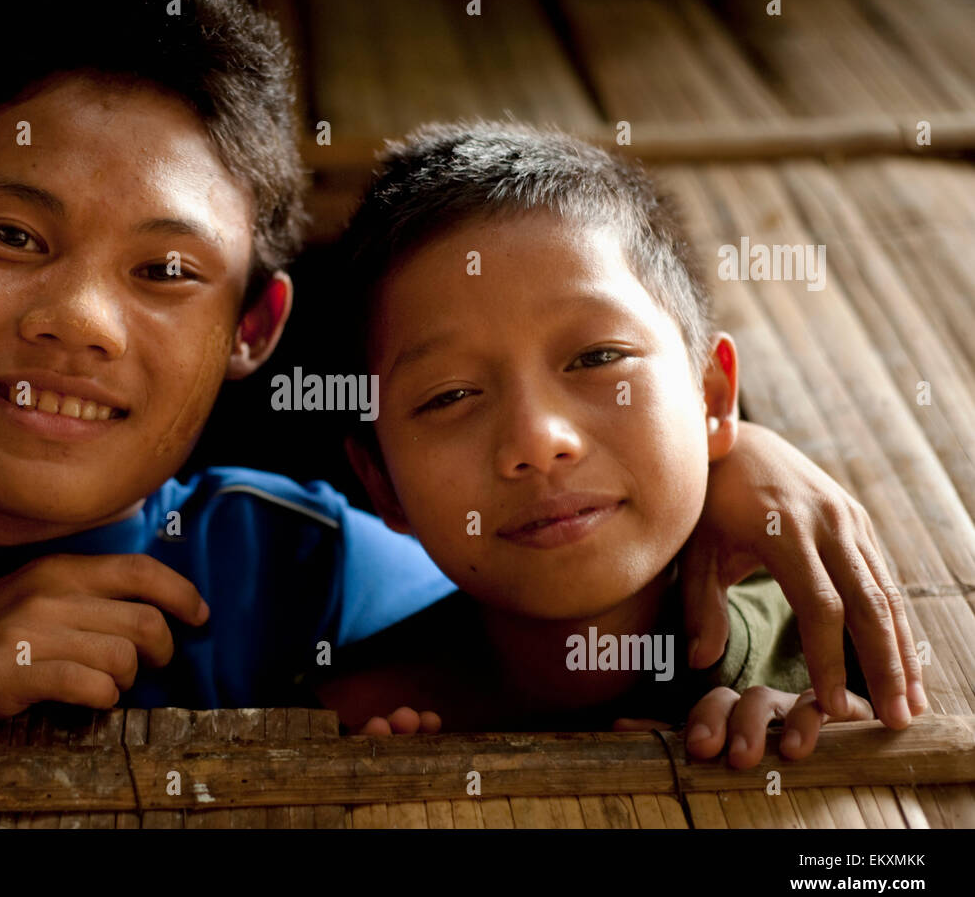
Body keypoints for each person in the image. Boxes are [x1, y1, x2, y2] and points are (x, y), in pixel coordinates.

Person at [0, 0, 922, 731]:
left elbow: (556, 612)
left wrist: (729, 471)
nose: (77, 318)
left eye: (166, 272)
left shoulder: (303, 563)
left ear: (252, 330)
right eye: (13, 237)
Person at [314, 123, 916, 766]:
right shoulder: (341, 718)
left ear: (712, 398)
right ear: (381, 483)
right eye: (450, 396)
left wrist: (826, 750)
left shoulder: (838, 637)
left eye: (598, 356)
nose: (539, 442)